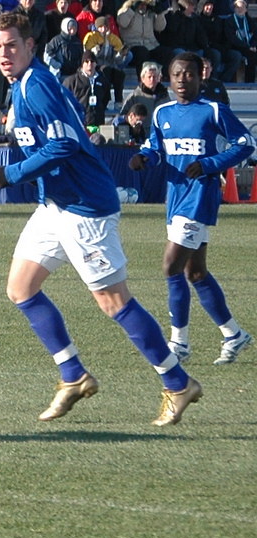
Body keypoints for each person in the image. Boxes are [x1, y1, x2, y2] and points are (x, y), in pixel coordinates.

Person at [0, 12, 201, 426]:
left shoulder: (37, 85)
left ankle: (178, 383)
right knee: (21, 287)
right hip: (57, 204)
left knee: (113, 301)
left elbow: (64, 145)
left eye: (11, 45)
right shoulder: (23, 84)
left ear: (30, 46)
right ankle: (74, 375)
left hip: (84, 207)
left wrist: (12, 173)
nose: (4, 54)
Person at [128, 52, 254, 365]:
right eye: (177, 74)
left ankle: (179, 343)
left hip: (200, 197)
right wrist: (144, 158)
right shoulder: (163, 112)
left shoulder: (213, 110)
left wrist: (210, 164)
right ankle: (234, 334)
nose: (182, 80)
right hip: (175, 197)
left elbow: (246, 143)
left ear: (201, 77)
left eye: (189, 74)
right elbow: (155, 147)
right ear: (168, 80)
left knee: (171, 265)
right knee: (195, 272)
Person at [83, 15, 130, 106]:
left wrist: (121, 54)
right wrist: (95, 51)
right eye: (100, 27)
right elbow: (87, 55)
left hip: (110, 64)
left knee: (120, 74)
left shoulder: (113, 38)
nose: (103, 29)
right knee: (105, 71)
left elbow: (117, 60)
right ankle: (106, 99)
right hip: (95, 66)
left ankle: (118, 101)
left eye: (105, 27)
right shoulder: (91, 37)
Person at [116, 0, 172, 76]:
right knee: (142, 52)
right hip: (132, 45)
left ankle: (165, 77)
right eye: (140, 4)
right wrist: (131, 9)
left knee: (166, 53)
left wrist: (159, 14)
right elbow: (122, 23)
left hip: (151, 45)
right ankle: (142, 78)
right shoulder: (125, 11)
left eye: (145, 4)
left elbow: (160, 28)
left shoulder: (150, 13)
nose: (143, 6)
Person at [62, 50, 110, 127]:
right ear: (82, 64)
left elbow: (106, 99)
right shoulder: (72, 81)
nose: (89, 64)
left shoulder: (102, 80)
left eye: (92, 61)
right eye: (86, 62)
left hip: (97, 122)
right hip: (79, 123)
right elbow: (63, 100)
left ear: (96, 64)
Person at [225, 0, 256, 82]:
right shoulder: (229, 21)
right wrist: (248, 47)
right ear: (234, 9)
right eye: (237, 7)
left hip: (249, 47)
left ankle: (251, 83)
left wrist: (253, 45)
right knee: (242, 56)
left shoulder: (250, 21)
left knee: (252, 55)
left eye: (242, 7)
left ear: (246, 9)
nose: (240, 9)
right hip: (235, 47)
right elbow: (232, 38)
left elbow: (254, 35)